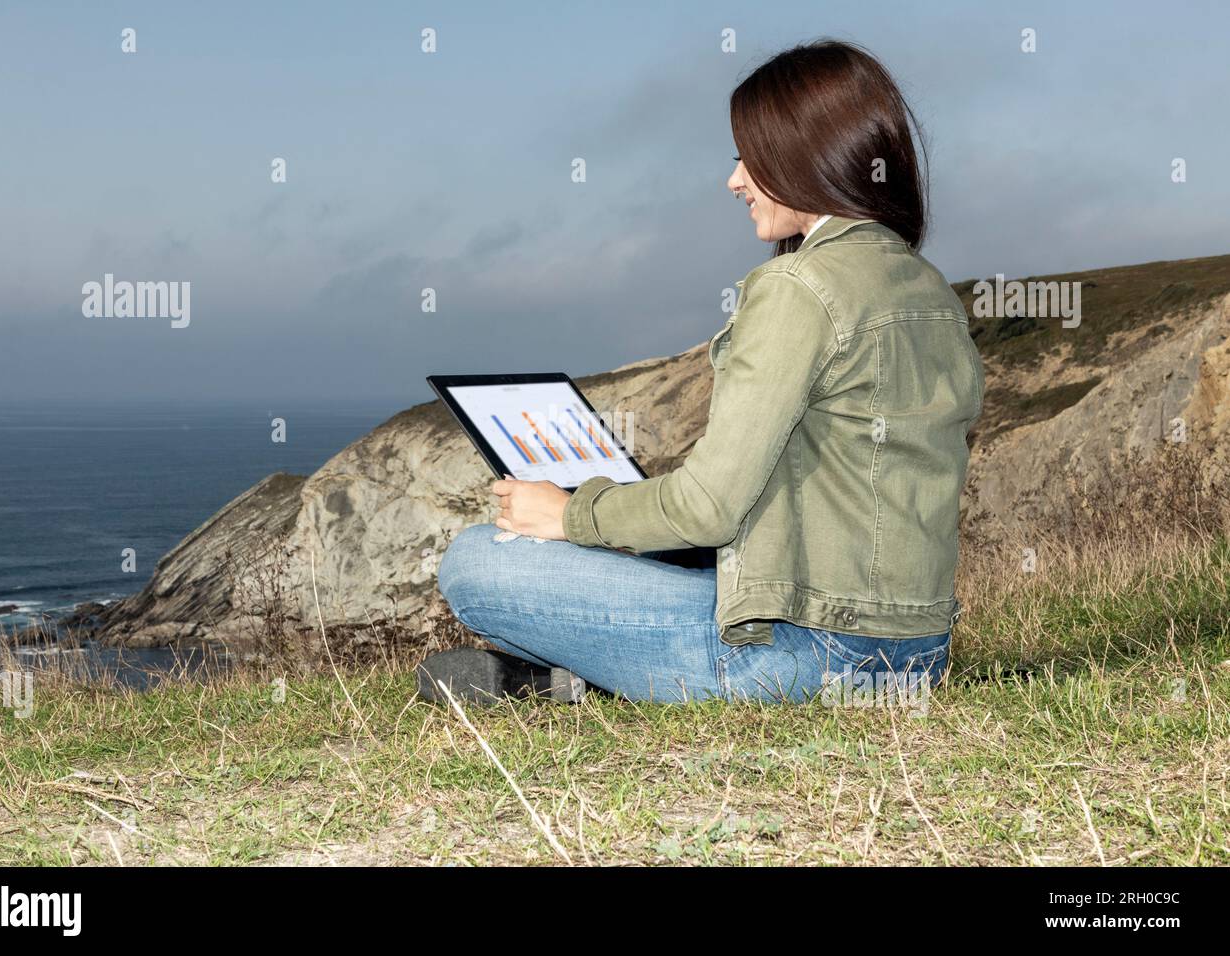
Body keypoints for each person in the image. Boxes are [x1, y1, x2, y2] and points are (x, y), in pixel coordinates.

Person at [419, 39, 984, 706]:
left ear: (803, 153)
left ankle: (585, 677)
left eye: (750, 156)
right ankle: (576, 681)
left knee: (477, 560)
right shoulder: (929, 291)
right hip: (915, 657)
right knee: (654, 560)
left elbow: (708, 508)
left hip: (806, 656)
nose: (735, 179)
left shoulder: (799, 287)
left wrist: (571, 513)